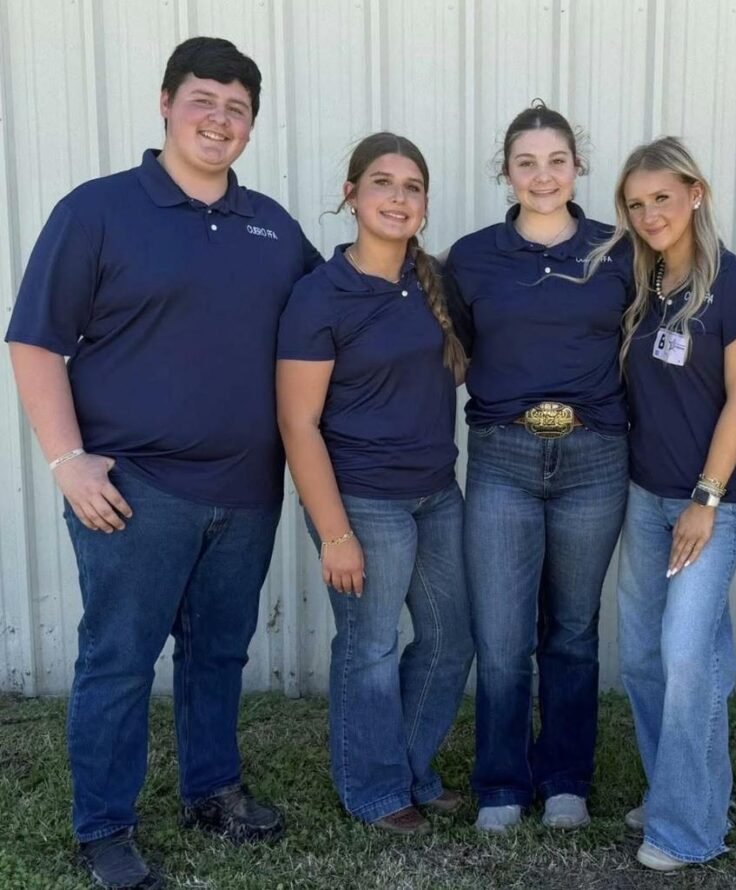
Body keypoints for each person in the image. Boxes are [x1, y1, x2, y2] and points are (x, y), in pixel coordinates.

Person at [5, 37, 321, 890]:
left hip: (248, 489)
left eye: (237, 108)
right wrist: (67, 460)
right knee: (119, 659)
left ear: (251, 125)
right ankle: (105, 825)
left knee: (218, 654)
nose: (220, 120)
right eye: (204, 101)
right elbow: (35, 342)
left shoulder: (274, 228)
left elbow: (335, 320)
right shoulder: (99, 211)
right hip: (134, 490)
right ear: (166, 104)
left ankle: (211, 789)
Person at [276, 132, 474, 835]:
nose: (398, 197)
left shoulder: (435, 284)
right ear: (351, 194)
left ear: (424, 204)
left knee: (452, 639)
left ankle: (412, 769)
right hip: (361, 499)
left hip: (437, 493)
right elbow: (298, 423)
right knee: (371, 646)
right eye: (383, 183)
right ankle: (374, 789)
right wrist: (334, 533)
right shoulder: (320, 295)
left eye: (412, 186)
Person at [444, 102, 633, 832]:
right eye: (527, 162)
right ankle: (499, 781)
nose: (543, 175)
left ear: (578, 168)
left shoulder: (617, 251)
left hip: (594, 457)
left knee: (573, 630)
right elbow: (452, 349)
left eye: (556, 160)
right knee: (502, 635)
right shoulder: (472, 256)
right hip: (503, 456)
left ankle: (564, 780)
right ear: (506, 172)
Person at [595, 137, 736, 871]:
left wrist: (706, 496)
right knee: (643, 659)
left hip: (709, 504)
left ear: (695, 193)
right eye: (636, 203)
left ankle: (687, 830)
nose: (649, 213)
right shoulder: (640, 282)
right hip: (643, 495)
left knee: (688, 659)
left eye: (662, 196)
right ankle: (679, 786)